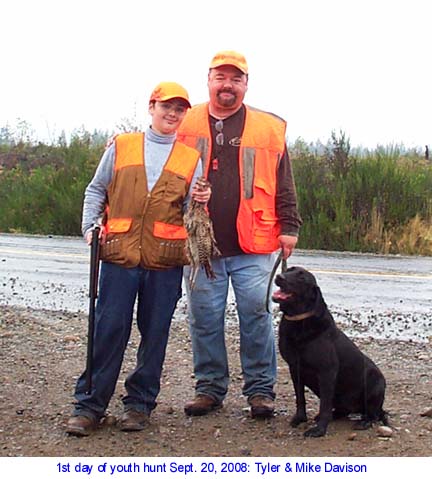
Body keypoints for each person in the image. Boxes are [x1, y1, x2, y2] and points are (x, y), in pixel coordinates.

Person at [65, 82, 210, 436]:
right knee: (108, 330)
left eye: (179, 109)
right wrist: (89, 227)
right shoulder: (122, 145)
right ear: (151, 106)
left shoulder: (191, 158)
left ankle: (139, 406)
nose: (172, 114)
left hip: (165, 261)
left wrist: (203, 200)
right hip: (117, 255)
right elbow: (96, 189)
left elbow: (193, 212)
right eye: (166, 107)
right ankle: (89, 406)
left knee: (155, 333)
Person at [177, 50, 302, 419]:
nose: (227, 85)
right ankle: (210, 389)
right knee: (204, 317)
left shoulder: (269, 127)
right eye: (221, 77)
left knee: (256, 314)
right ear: (209, 79)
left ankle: (261, 392)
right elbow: (154, 146)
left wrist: (290, 226)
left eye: (236, 78)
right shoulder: (185, 120)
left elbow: (284, 182)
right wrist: (119, 141)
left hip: (254, 243)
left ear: (246, 84)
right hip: (199, 245)